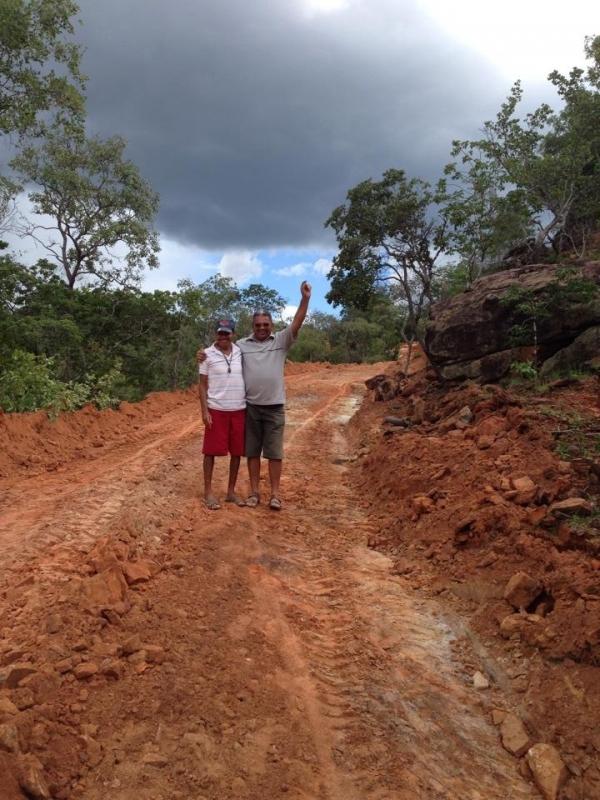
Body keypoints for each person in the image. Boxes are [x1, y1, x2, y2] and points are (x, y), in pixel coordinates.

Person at [197, 280, 311, 510]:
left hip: (273, 406)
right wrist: (203, 353)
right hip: (249, 408)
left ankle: (275, 495)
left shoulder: (280, 341)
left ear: (271, 325)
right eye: (258, 325)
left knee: (274, 453)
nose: (261, 328)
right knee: (251, 452)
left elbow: (297, 323)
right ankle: (254, 493)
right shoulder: (241, 345)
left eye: (265, 324)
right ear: (252, 326)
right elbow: (219, 346)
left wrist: (305, 299)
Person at [198, 319, 246, 510]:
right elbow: (202, 384)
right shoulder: (206, 355)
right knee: (210, 452)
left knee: (237, 452)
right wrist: (204, 411)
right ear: (216, 334)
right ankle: (208, 492)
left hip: (239, 409)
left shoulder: (241, 352)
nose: (223, 337)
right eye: (220, 333)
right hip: (216, 410)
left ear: (233, 334)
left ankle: (231, 492)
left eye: (226, 333)